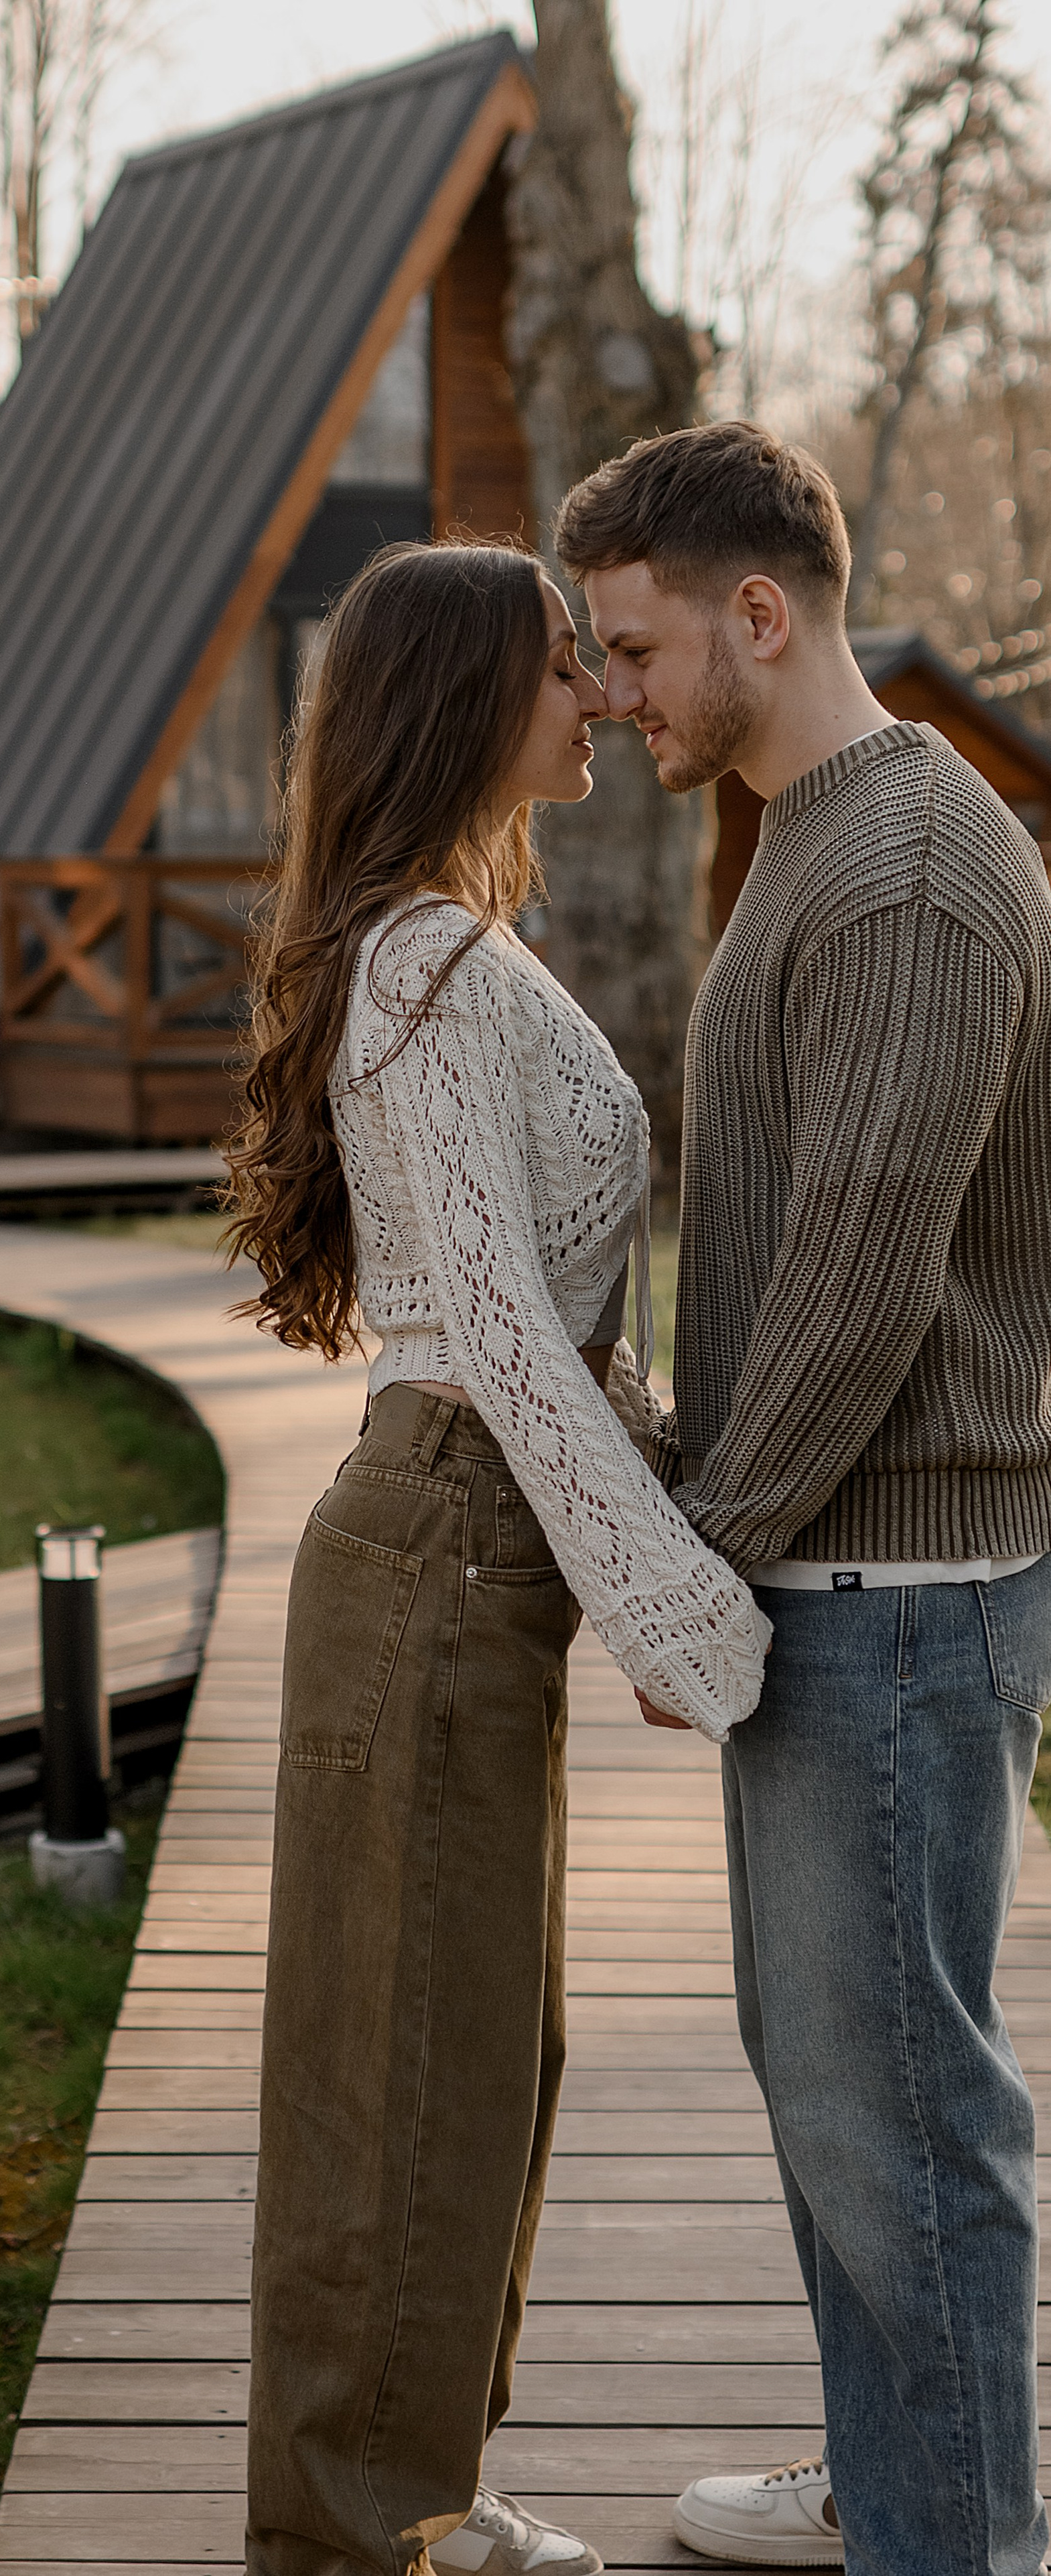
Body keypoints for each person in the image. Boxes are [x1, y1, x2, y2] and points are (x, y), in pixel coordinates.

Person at [224, 537, 770, 2576]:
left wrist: (655, 1531)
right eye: (569, 664)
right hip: (444, 1538)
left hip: (464, 1547)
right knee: (406, 2062)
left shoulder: (440, 945)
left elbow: (546, 1335)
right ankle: (364, 2533)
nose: (603, 696)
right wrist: (678, 1603)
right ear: (472, 696)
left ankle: (416, 2492)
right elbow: (513, 1343)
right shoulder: (415, 966)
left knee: (478, 2048)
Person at [557, 420, 1051, 2576]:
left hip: (897, 1584)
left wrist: (695, 1564)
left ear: (764, 612)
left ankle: (961, 2541)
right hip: (841, 1580)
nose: (616, 693)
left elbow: (858, 1278)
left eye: (641, 646)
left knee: (910, 2112)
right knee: (831, 2085)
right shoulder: (814, 836)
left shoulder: (916, 867)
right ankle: (894, 2482)